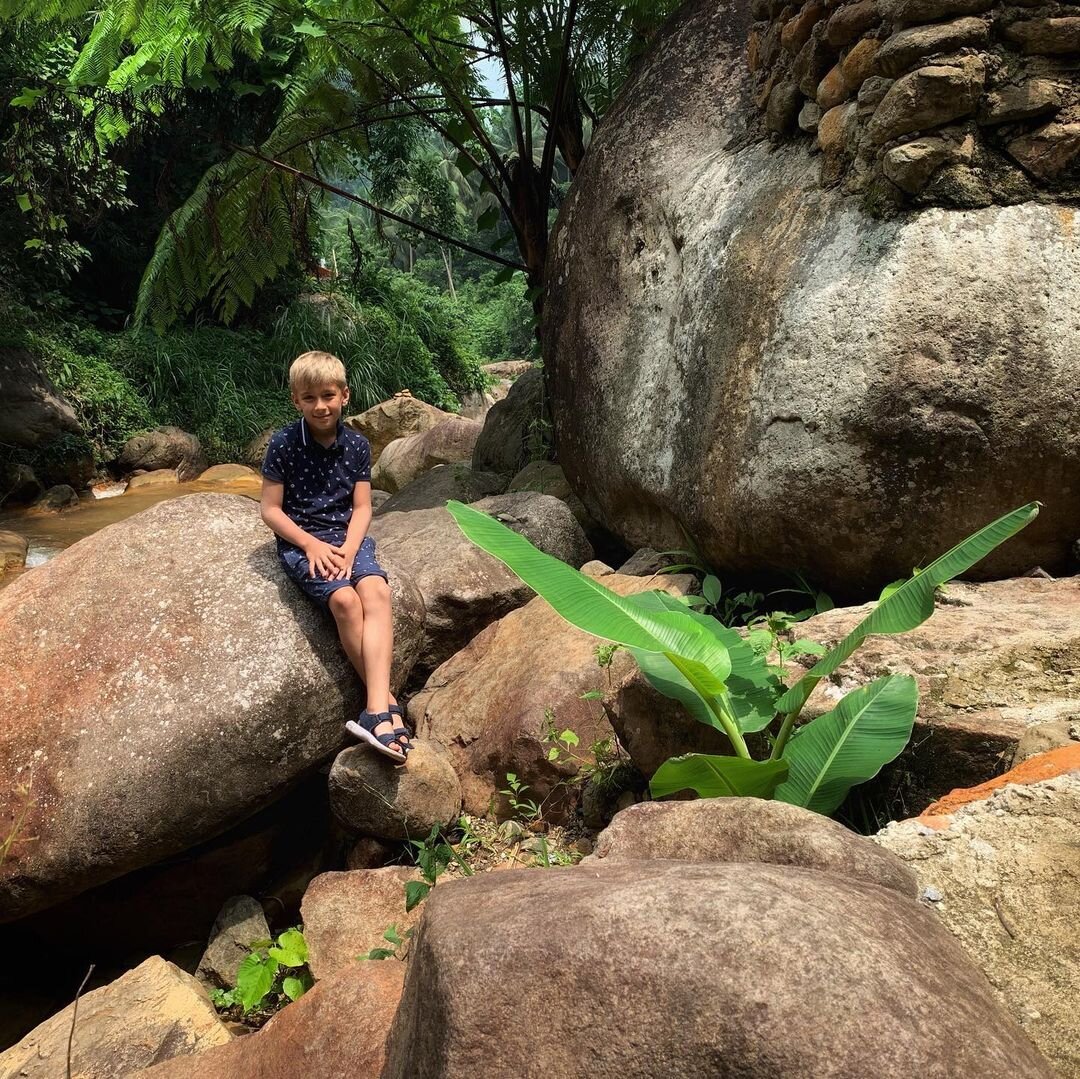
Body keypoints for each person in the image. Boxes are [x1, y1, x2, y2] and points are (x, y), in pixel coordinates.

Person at [259, 350, 409, 762]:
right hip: (304, 538)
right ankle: (385, 706)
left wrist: (347, 547)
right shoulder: (284, 444)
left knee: (376, 592)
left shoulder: (357, 444)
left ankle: (374, 710)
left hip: (347, 537)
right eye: (309, 398)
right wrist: (310, 544)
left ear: (345, 395)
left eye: (328, 395)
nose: (320, 406)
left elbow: (362, 507)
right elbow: (271, 510)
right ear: (296, 401)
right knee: (344, 600)